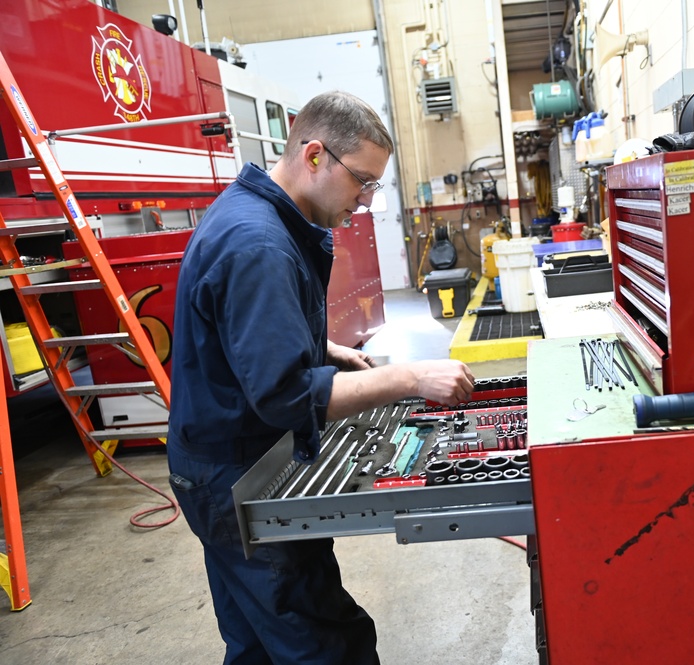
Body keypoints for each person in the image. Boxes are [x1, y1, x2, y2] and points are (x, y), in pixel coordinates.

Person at [166, 90, 475, 665]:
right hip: (233, 472)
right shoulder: (258, 243)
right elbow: (283, 395)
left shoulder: (257, 212)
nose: (365, 201)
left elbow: (240, 334)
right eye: (362, 182)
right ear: (314, 156)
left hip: (213, 461)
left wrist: (323, 349)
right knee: (324, 643)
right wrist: (409, 379)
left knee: (258, 641)